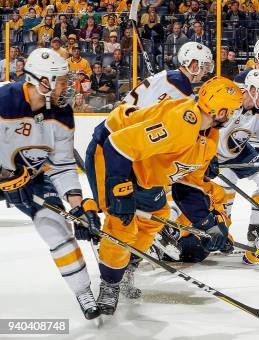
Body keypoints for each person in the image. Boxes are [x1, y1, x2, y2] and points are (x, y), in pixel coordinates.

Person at [84, 77, 242, 315]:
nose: (231, 115)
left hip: (142, 164)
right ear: (220, 110)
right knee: (123, 222)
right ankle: (110, 283)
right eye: (231, 110)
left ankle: (126, 267)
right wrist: (120, 189)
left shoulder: (209, 135)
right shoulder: (180, 123)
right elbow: (118, 145)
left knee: (155, 216)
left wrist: (209, 225)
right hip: (110, 152)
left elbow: (188, 187)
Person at [0, 48, 101, 320]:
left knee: (55, 227)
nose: (66, 86)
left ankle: (83, 292)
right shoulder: (4, 99)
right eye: (61, 80)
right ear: (41, 81)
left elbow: (63, 165)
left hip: (33, 178)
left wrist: (78, 206)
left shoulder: (61, 112)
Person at [215, 70, 259, 250]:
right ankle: (221, 230)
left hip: (239, 152)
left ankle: (256, 229)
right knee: (225, 185)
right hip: (211, 151)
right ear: (253, 90)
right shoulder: (228, 101)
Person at [124, 42, 213, 107]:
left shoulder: (169, 75)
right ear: (194, 66)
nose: (206, 72)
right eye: (205, 66)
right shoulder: (182, 86)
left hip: (119, 120)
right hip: (127, 128)